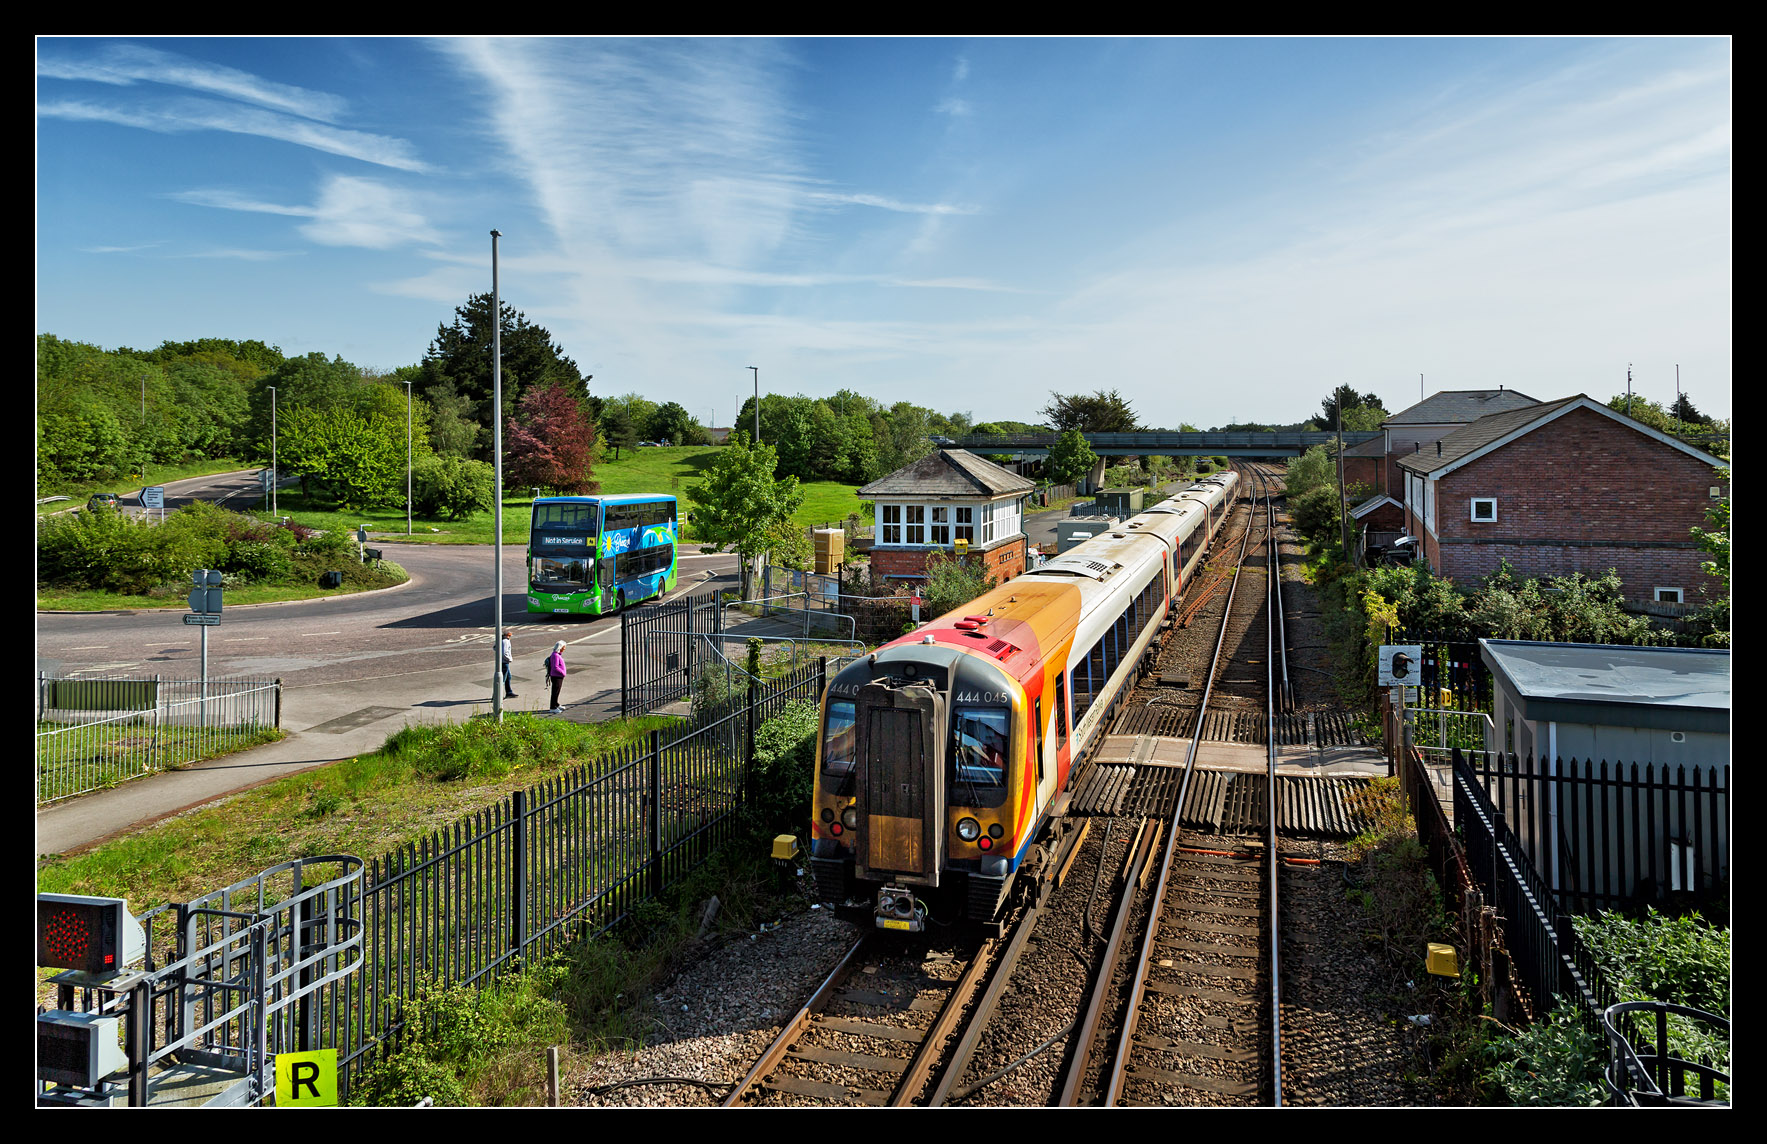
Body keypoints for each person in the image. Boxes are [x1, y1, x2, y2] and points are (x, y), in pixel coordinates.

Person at [545, 639, 567, 713]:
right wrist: (563, 673)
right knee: (555, 692)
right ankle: (553, 707)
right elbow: (555, 667)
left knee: (557, 691)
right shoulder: (555, 655)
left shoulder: (557, 655)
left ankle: (556, 704)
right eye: (564, 647)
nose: (565, 648)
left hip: (558, 676)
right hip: (556, 676)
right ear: (560, 647)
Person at [500, 630, 517, 699]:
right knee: (503, 679)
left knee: (508, 677)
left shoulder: (501, 640)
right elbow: (504, 653)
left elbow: (495, 648)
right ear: (508, 635)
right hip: (504, 662)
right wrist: (509, 659)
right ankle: (497, 695)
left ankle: (509, 692)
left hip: (503, 661)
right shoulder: (505, 641)